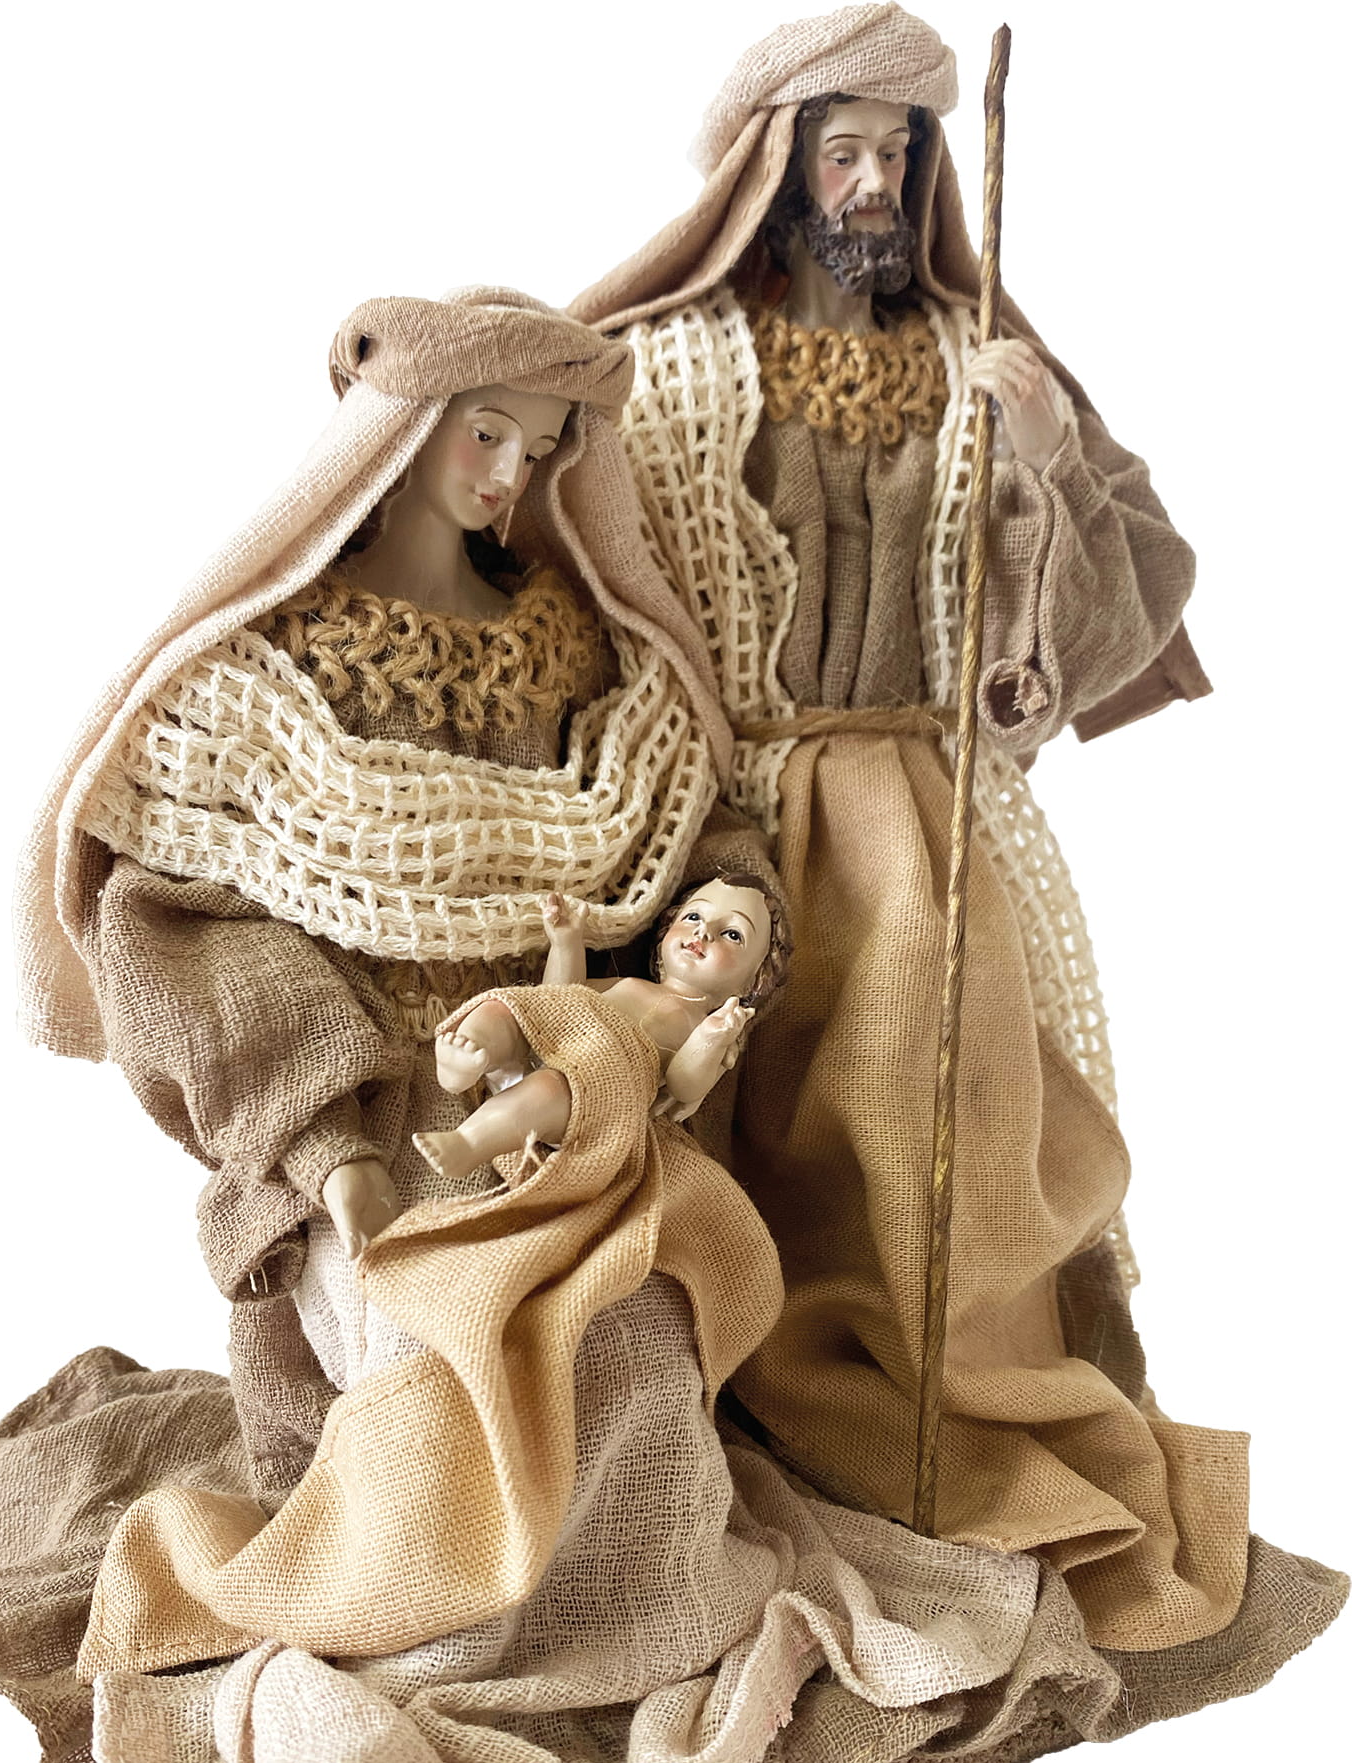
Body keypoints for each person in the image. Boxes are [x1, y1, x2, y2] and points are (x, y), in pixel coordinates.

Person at [0, 287, 1108, 1763]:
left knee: (639, 1349)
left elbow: (690, 830)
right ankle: (374, 1661)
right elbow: (181, 932)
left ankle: (596, 1655)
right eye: (481, 436)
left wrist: (718, 923)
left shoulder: (581, 649)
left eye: (541, 444)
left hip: (578, 1126)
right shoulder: (263, 681)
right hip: (365, 1135)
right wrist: (333, 1149)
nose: (510, 475)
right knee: (439, 1366)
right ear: (389, 439)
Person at [569, 4, 1344, 1659]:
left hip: (929, 817)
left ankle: (946, 1422)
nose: (871, 183)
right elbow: (580, 567)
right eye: (840, 152)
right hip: (728, 809)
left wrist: (1044, 469)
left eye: (897, 153)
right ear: (770, 173)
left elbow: (1131, 592)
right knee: (728, 1124)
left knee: (955, 1119)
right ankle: (721, 1440)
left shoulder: (972, 352)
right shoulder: (671, 361)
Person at [414, 872, 788, 1178]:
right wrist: (566, 944)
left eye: (732, 934)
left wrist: (711, 1038)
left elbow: (682, 1085)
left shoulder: (706, 1027)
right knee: (503, 1009)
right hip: (546, 1044)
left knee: (547, 1088)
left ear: (751, 983)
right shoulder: (630, 985)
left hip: (588, 1091)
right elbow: (560, 998)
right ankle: (463, 1062)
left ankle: (469, 1143)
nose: (703, 932)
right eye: (693, 917)